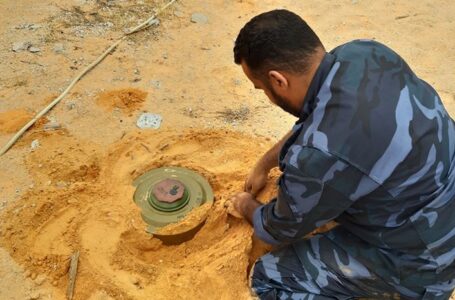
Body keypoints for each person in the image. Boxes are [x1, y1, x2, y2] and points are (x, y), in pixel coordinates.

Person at [229, 9, 455, 300]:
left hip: (424, 264)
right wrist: (265, 162)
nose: (266, 96)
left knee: (269, 278)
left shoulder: (317, 158)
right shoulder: (364, 53)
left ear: (278, 80)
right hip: (441, 201)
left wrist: (247, 204)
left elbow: (278, 228)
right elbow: (316, 123)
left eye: (262, 89)